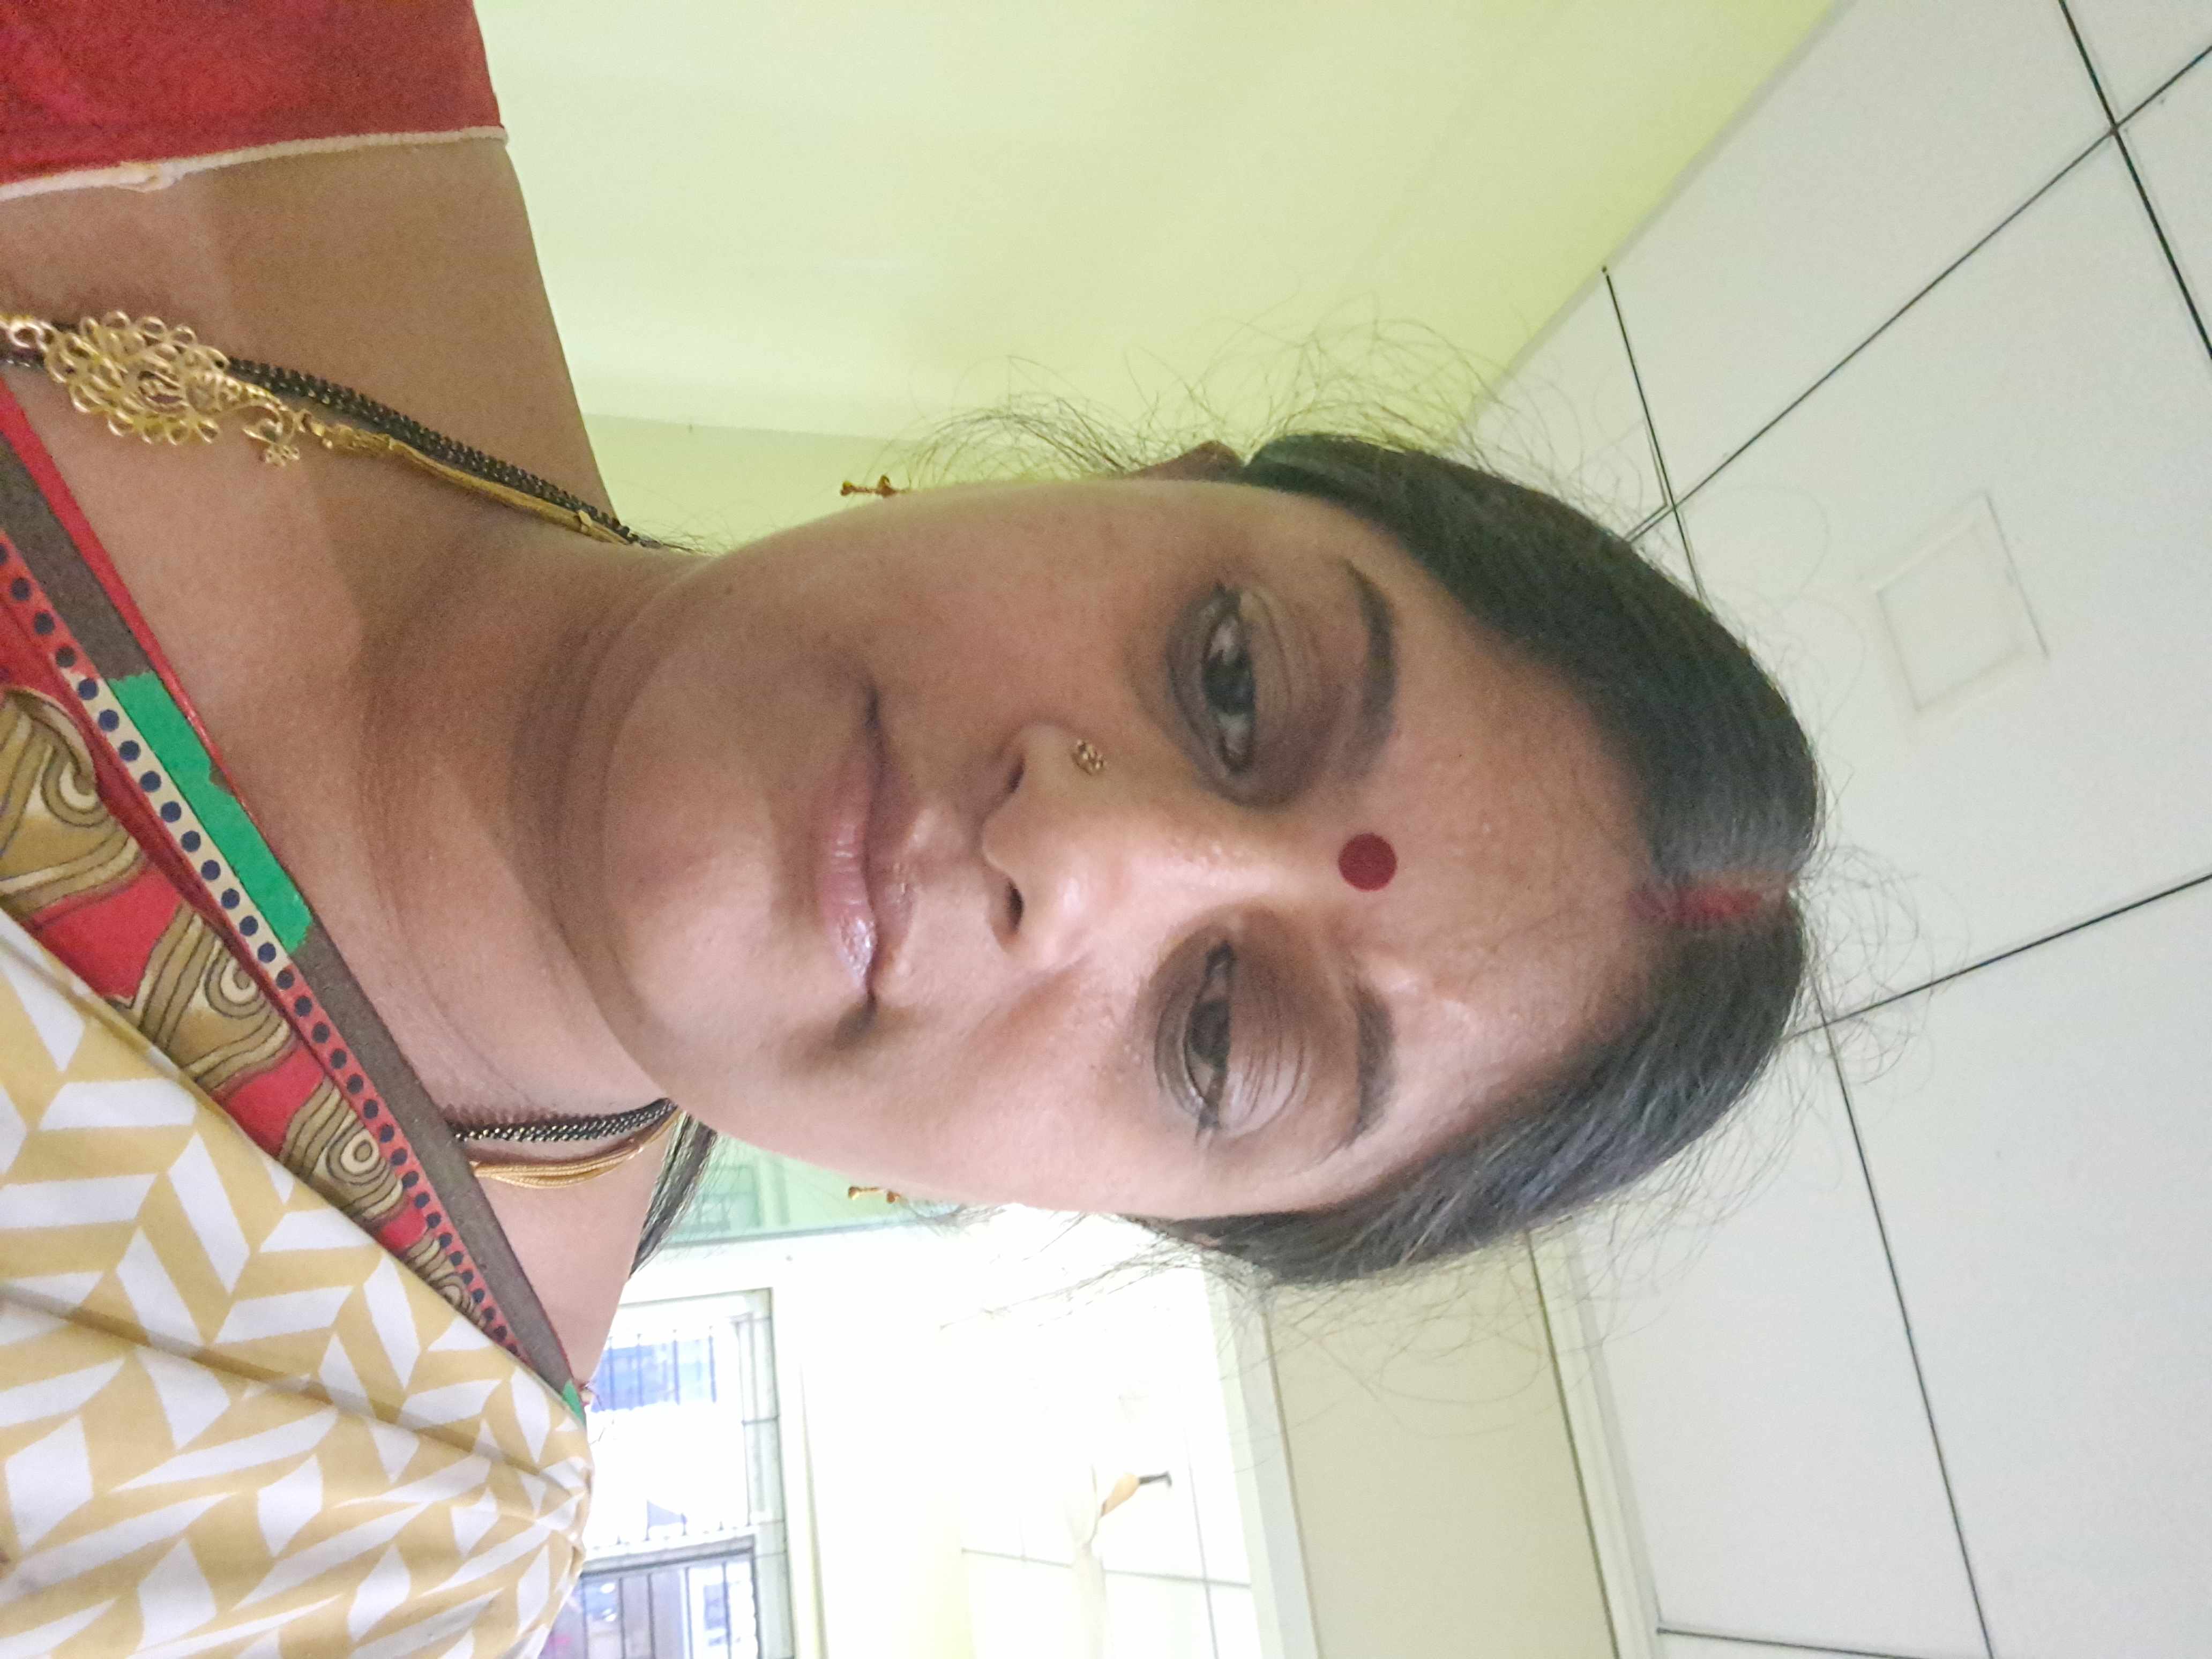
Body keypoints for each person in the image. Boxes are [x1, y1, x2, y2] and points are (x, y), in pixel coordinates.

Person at [0, 2, 1819, 1654]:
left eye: (1218, 1032)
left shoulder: (343, 1545)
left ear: (1109, 1205)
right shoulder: (297, 45)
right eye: (1232, 679)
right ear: (1152, 490)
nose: (1077, 861)